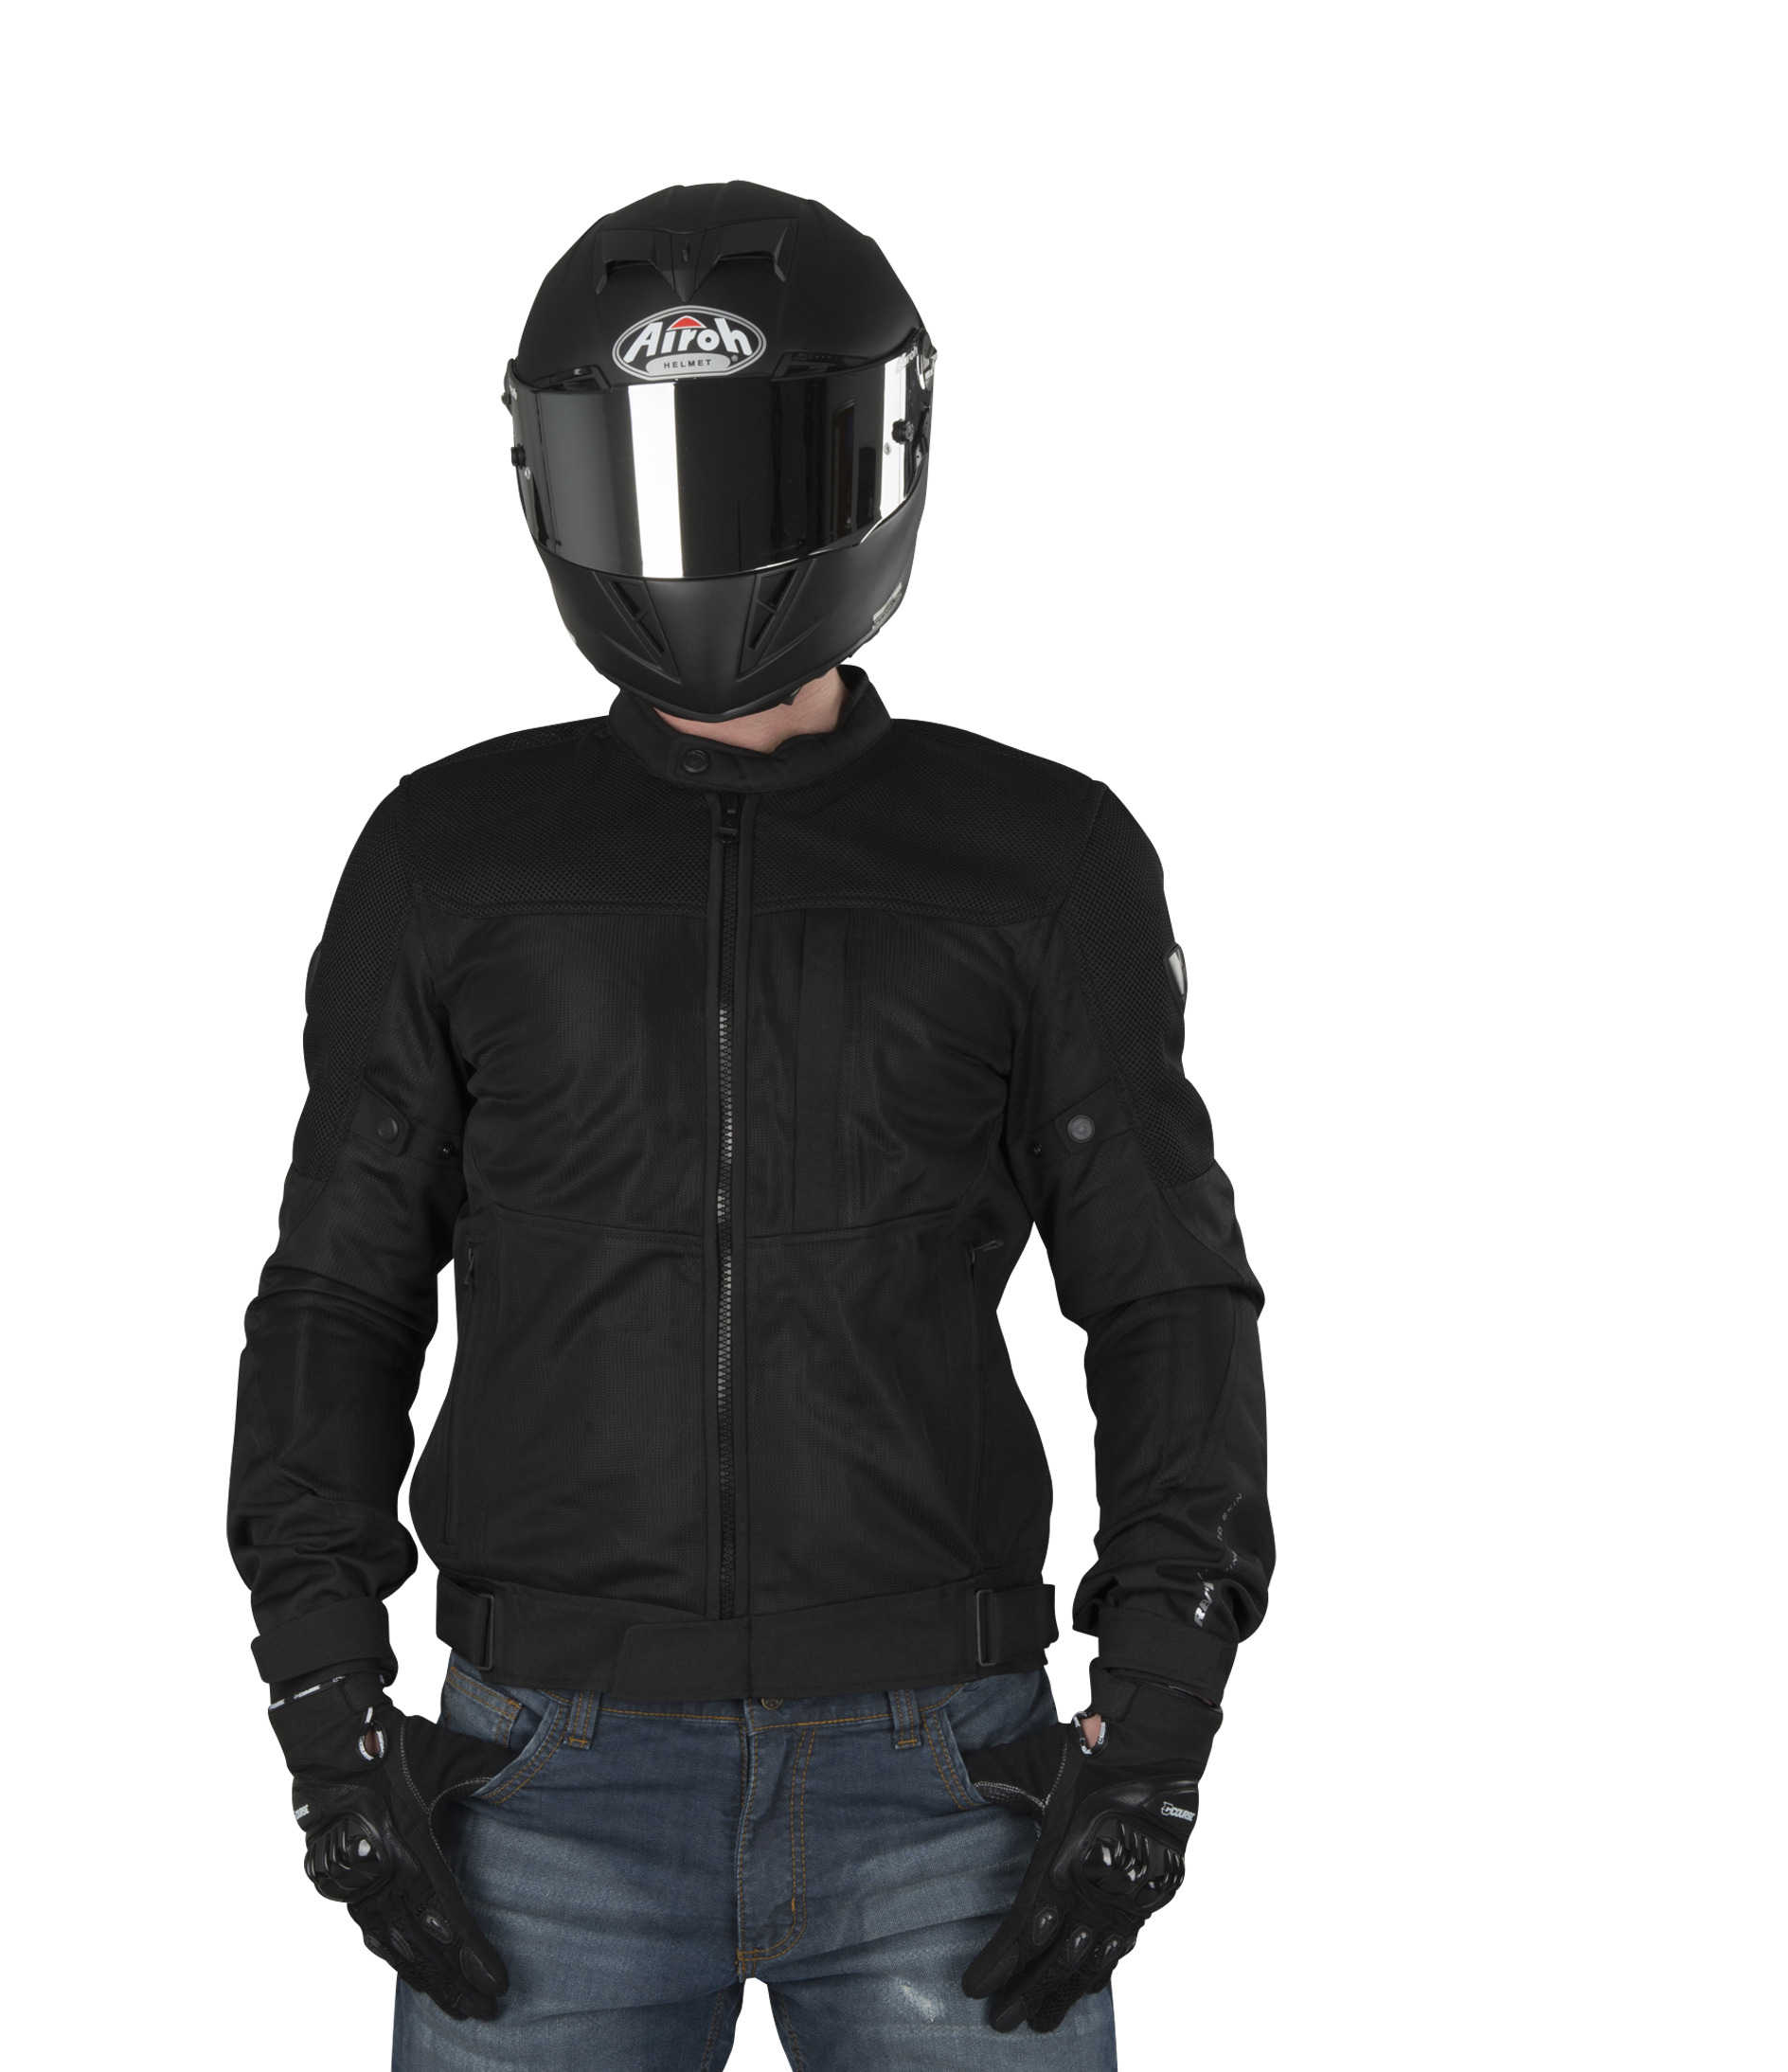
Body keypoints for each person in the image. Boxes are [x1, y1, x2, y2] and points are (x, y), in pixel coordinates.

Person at [230, 182, 1269, 2071]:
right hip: (534, 1776)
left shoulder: (1032, 856)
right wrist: (317, 1672)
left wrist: (1163, 1678)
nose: (687, 539)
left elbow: (1161, 1288)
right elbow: (340, 1284)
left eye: (740, 471)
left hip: (950, 1775)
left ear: (877, 457)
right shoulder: (453, 856)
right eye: (636, 474)